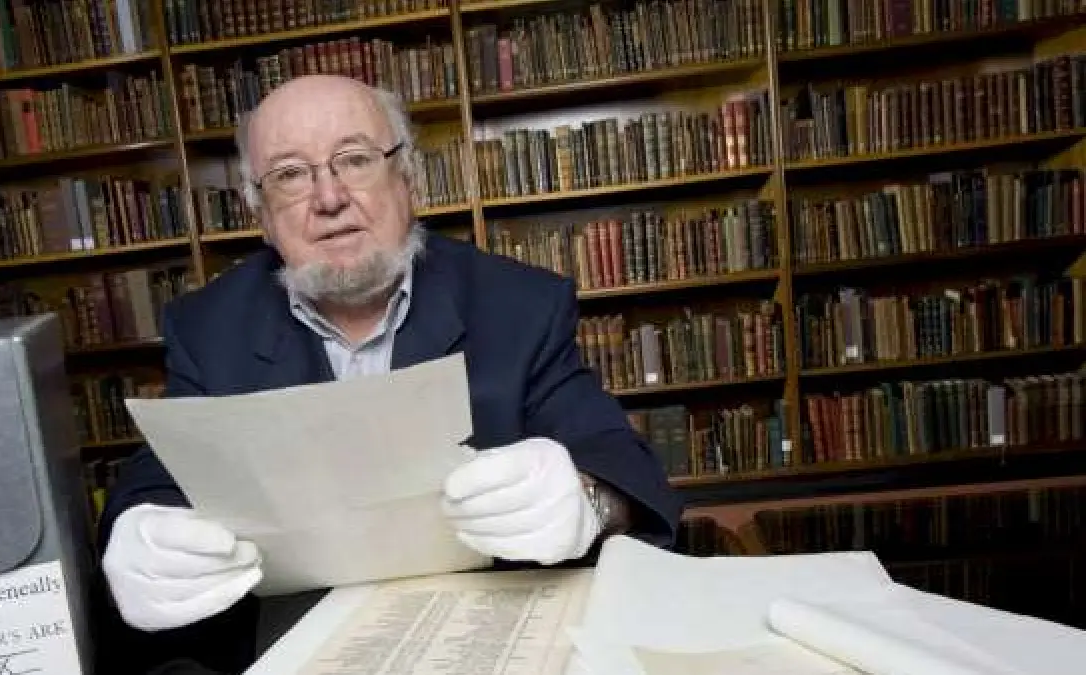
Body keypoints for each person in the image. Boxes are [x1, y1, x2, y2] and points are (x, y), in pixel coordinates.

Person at [94, 74, 682, 673]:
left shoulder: (521, 304)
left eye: (355, 159)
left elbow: (618, 459)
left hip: (484, 639)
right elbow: (163, 471)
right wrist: (138, 527)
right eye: (290, 174)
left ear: (408, 179)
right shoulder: (207, 327)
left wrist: (588, 500)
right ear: (262, 216)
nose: (329, 197)